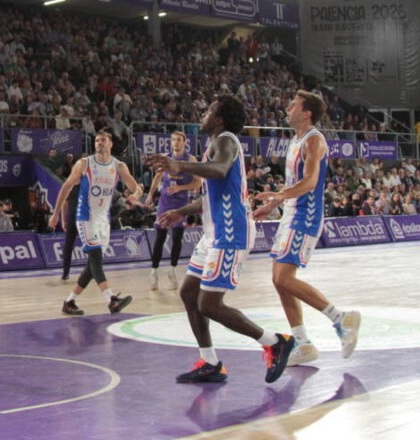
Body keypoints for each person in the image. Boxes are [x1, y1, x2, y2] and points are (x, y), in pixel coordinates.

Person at [148, 95, 293, 385]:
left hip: (231, 233)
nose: (204, 113)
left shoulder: (225, 140)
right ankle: (210, 362)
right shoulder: (212, 146)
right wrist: (181, 211)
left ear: (220, 118)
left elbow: (220, 170)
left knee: (210, 304)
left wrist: (179, 166)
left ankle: (274, 342)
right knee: (189, 294)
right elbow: (210, 197)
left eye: (210, 109)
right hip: (213, 234)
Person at [253, 91, 361, 366]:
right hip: (291, 213)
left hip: (306, 215)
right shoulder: (296, 139)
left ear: (307, 113)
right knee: (278, 281)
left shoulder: (314, 140)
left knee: (285, 279)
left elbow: (311, 182)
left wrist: (278, 196)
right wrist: (274, 206)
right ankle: (302, 342)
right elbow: (295, 182)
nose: (287, 108)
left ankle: (341, 319)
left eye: (293, 105)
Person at [50, 130, 141, 316]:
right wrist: (56, 213)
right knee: (96, 259)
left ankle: (69, 302)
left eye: (103, 140)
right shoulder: (84, 164)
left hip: (103, 220)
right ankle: (111, 300)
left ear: (111, 144)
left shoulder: (119, 166)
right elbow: (66, 187)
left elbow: (136, 187)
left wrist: (135, 196)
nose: (99, 143)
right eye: (97, 140)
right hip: (85, 217)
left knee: (93, 265)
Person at [145, 131, 201, 290]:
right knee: (160, 237)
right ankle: (154, 272)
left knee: (177, 238)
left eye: (178, 140)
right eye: (173, 140)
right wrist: (150, 194)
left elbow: (197, 184)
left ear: (184, 142)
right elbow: (157, 177)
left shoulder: (190, 160)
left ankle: (172, 270)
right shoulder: (165, 157)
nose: (175, 143)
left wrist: (180, 188)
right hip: (164, 202)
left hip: (181, 203)